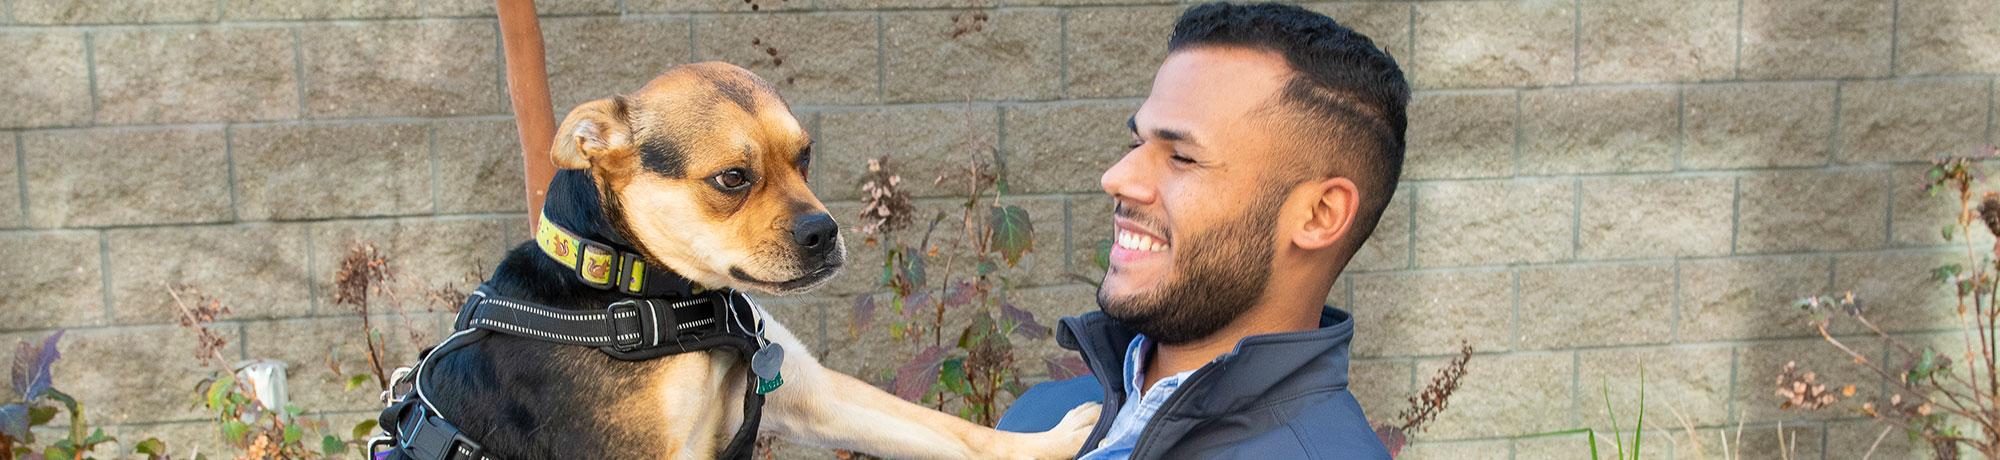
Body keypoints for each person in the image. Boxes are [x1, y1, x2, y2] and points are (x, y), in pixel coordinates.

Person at [993, 2, 1408, 458]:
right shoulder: (1037, 421)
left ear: (1319, 215)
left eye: (1182, 157)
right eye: (1137, 142)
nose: (1116, 178)